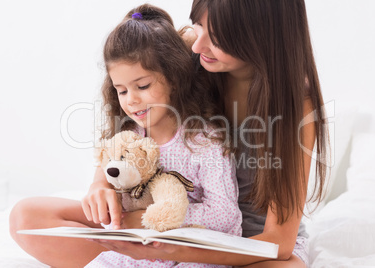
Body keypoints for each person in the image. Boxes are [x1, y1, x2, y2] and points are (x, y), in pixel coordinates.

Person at [87, 0, 329, 267]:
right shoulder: (193, 52)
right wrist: (100, 183)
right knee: (34, 216)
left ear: (260, 36)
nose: (196, 45)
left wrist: (171, 251)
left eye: (216, 38)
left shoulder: (296, 101)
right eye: (198, 25)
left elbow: (279, 244)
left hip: (252, 245)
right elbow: (131, 121)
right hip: (174, 229)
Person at [9, 4, 242, 268]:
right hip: (134, 243)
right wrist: (99, 190)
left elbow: (225, 214)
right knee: (24, 216)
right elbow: (108, 173)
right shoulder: (130, 135)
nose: (131, 101)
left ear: (174, 79)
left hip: (184, 253)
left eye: (142, 86)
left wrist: (148, 217)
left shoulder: (202, 140)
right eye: (121, 90)